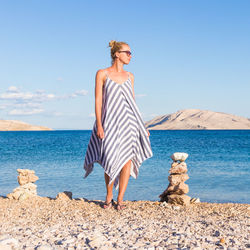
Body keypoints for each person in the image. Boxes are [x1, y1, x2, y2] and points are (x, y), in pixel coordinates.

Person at [84, 40, 153, 210]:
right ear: (117, 54)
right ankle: (109, 196)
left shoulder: (130, 76)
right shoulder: (102, 73)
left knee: (127, 160)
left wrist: (142, 126)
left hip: (129, 122)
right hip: (109, 122)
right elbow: (98, 100)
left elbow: (133, 103)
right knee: (110, 156)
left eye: (131, 53)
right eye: (127, 52)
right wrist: (99, 125)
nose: (130, 56)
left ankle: (120, 199)